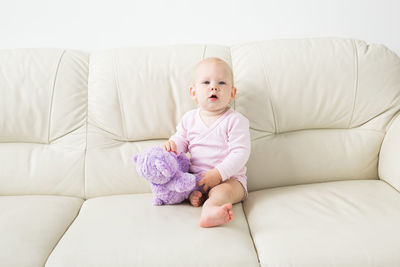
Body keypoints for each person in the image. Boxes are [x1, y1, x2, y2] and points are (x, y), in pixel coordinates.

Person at [163, 57, 251, 228]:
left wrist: (218, 174)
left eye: (222, 83)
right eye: (206, 82)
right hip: (197, 178)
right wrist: (173, 146)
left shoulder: (235, 121)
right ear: (193, 92)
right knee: (183, 186)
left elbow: (240, 153)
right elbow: (181, 139)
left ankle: (211, 210)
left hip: (229, 180)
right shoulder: (189, 119)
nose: (214, 87)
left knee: (220, 192)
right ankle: (195, 196)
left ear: (232, 93)